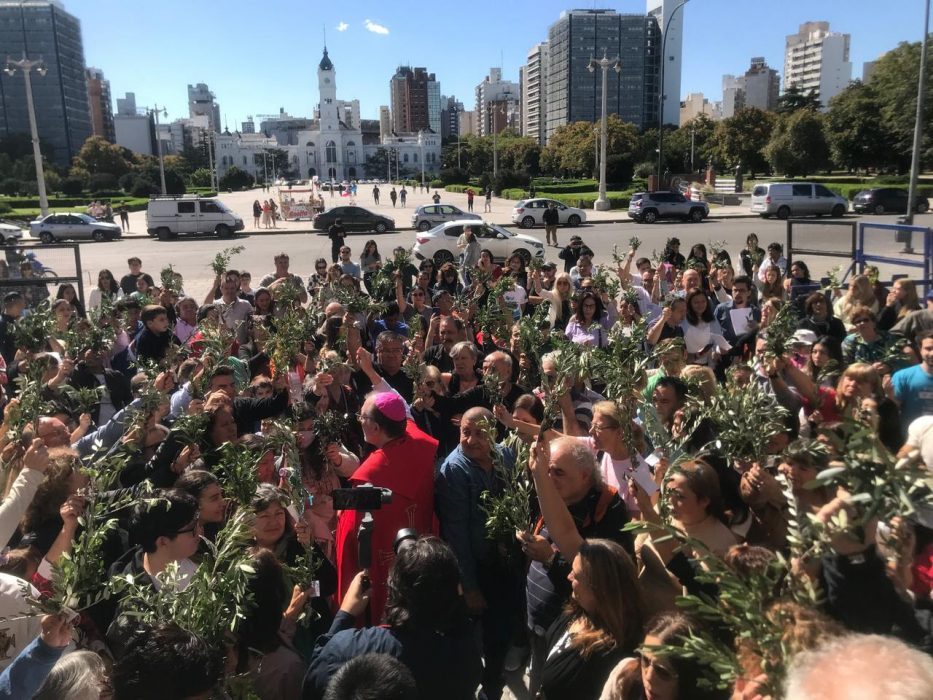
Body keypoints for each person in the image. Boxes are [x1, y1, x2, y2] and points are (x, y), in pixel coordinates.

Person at [305, 537, 482, 700]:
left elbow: (317, 676)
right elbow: (469, 653)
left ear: (391, 590)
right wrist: (457, 601)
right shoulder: (462, 660)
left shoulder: (344, 649)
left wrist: (345, 615)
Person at [334, 392, 438, 623]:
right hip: (421, 548)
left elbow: (348, 530)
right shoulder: (420, 443)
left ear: (375, 427)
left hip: (386, 564)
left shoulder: (368, 478)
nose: (359, 420)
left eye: (362, 417)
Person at [889, 329, 933, 430]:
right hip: (912, 435)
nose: (932, 353)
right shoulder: (902, 377)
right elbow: (893, 411)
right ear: (920, 349)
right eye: (928, 349)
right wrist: (890, 396)